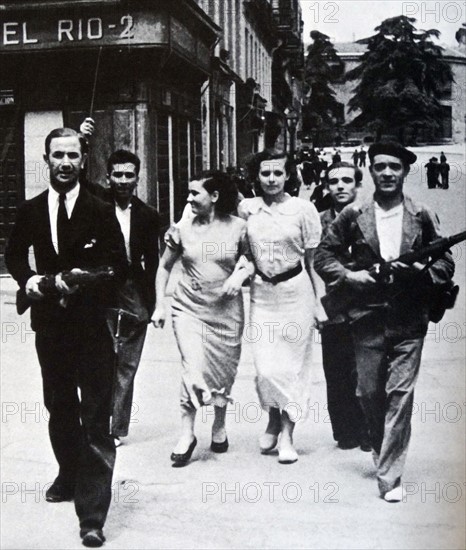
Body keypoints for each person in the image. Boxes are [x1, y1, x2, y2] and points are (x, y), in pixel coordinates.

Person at [5, 128, 128, 546]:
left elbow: (118, 266)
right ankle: (68, 472)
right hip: (51, 329)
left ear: (84, 160)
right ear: (46, 159)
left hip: (91, 329)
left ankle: (92, 515)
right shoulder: (31, 209)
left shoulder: (100, 208)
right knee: (59, 406)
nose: (64, 162)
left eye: (72, 155)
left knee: (95, 418)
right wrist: (33, 281)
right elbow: (14, 255)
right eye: (57, 155)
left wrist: (80, 283)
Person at [315, 141, 454, 502]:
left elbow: (445, 262)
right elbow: (323, 257)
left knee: (400, 394)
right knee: (369, 392)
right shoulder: (353, 215)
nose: (388, 173)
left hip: (409, 318)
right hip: (367, 316)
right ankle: (381, 446)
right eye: (380, 167)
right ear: (372, 171)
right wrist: (350, 276)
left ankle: (390, 477)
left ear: (406, 172)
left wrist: (419, 276)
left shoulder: (421, 214)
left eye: (395, 167)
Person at [151, 170, 253, 467]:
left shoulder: (240, 228)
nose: (188, 198)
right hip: (189, 310)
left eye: (194, 193)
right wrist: (160, 305)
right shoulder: (181, 229)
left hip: (226, 312)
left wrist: (239, 274)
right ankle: (186, 434)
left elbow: (250, 261)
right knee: (192, 368)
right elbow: (163, 268)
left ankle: (219, 425)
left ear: (215, 196)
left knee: (223, 373)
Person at [238, 149, 322, 464]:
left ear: (288, 175)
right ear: (256, 177)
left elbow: (312, 264)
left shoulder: (304, 209)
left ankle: (287, 434)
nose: (271, 179)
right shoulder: (247, 209)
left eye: (278, 173)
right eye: (265, 173)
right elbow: (244, 253)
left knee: (292, 367)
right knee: (265, 369)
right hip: (262, 295)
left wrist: (318, 304)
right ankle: (272, 417)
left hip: (296, 294)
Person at [105, 150, 160, 443]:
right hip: (99, 291)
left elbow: (153, 262)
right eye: (117, 174)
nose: (123, 181)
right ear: (108, 177)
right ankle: (97, 419)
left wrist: (152, 303)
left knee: (127, 363)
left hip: (133, 291)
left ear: (138, 179)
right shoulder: (95, 205)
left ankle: (116, 428)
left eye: (129, 175)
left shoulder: (148, 215)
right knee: (100, 359)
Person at [317, 162, 370, 451]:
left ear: (357, 186)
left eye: (347, 180)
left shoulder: (370, 218)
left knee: (366, 368)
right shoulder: (318, 219)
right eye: (333, 181)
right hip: (333, 303)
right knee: (336, 369)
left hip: (366, 303)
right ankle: (344, 431)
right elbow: (309, 260)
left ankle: (366, 428)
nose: (340, 186)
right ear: (326, 187)